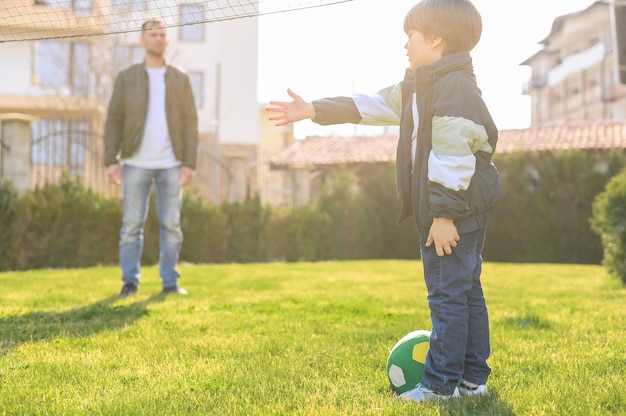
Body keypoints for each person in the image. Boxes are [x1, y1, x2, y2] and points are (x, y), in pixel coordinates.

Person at [267, 0, 499, 403]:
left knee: (447, 295)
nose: (404, 45)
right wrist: (313, 110)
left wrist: (443, 215)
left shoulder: (452, 89)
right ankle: (473, 383)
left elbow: (453, 155)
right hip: (463, 212)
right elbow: (368, 105)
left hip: (453, 214)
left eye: (410, 36)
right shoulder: (421, 86)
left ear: (437, 39)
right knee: (465, 291)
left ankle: (441, 386)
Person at [104, 17, 199, 297]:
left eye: (162, 35)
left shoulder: (180, 79)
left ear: (167, 41)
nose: (158, 39)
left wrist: (189, 163)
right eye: (152, 34)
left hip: (172, 164)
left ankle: (170, 282)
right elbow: (114, 121)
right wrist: (111, 160)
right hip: (135, 162)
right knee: (131, 227)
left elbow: (190, 123)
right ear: (141, 40)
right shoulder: (126, 77)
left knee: (171, 226)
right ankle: (129, 282)